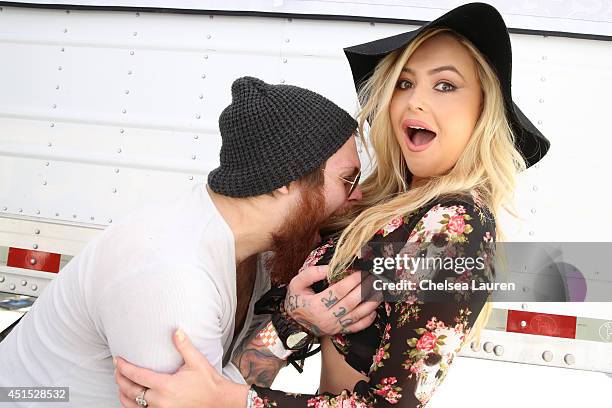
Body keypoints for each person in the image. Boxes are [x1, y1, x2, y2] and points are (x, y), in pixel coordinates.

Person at [114, 3, 551, 407]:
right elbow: (286, 335)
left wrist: (229, 401)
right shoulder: (382, 204)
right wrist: (264, 345)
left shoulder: (456, 222)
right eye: (404, 82)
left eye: (445, 85)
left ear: (482, 112)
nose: (415, 99)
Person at [0, 76, 382, 407]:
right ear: (286, 180)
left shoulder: (251, 248)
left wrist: (290, 322)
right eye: (348, 180)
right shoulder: (172, 278)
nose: (357, 195)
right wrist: (289, 327)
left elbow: (216, 390)